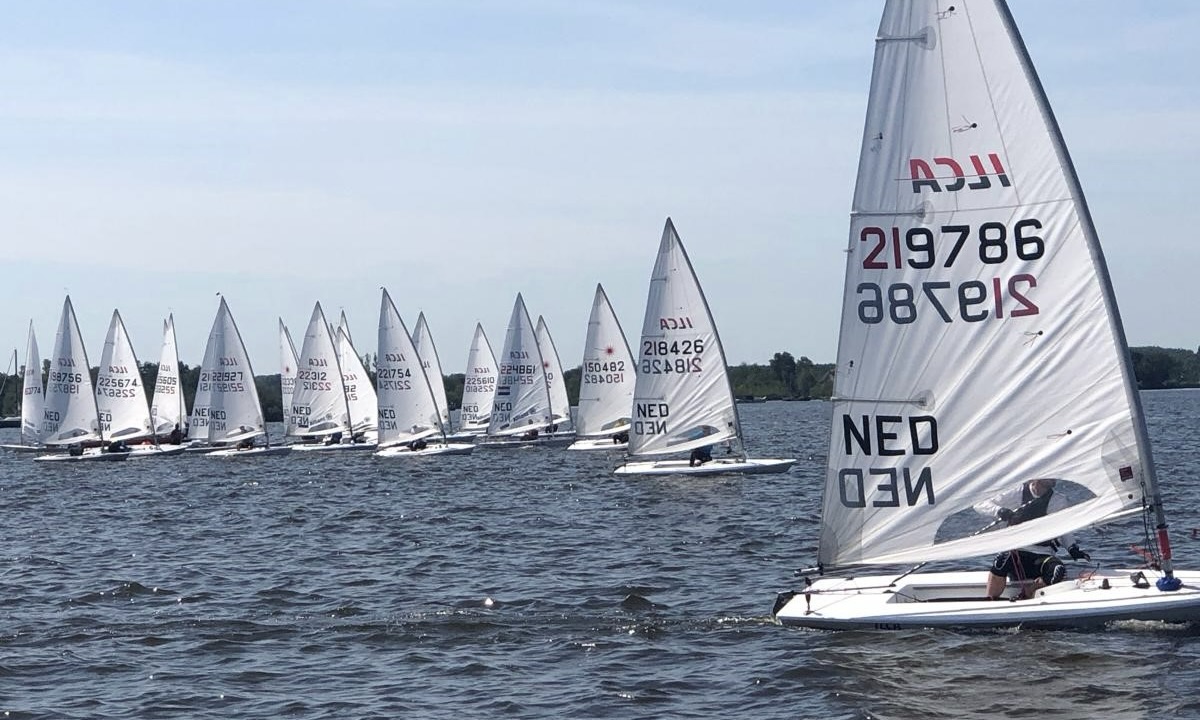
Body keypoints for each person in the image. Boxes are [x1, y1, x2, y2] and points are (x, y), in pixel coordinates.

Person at [975, 478, 1091, 600]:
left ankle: (1024, 597)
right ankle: (990, 601)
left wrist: (1072, 548)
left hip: (1041, 555)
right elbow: (979, 504)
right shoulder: (1016, 492)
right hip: (1017, 553)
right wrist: (999, 511)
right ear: (1037, 477)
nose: (1054, 478)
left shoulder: (1058, 501)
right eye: (1050, 475)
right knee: (1001, 561)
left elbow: (1063, 528)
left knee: (1058, 570)